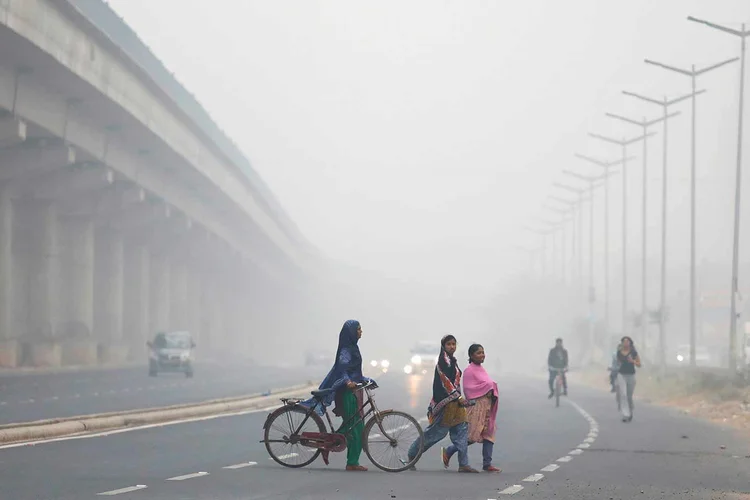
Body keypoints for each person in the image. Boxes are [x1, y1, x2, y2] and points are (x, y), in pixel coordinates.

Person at [303, 320, 371, 471]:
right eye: (358, 329)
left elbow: (355, 371)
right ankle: (351, 462)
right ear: (351, 333)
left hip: (354, 390)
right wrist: (347, 382)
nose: (361, 332)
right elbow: (342, 369)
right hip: (346, 392)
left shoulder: (353, 347)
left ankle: (341, 453)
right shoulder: (346, 350)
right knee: (355, 426)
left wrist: (366, 380)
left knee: (354, 425)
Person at [407, 335, 478, 473]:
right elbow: (446, 383)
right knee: (434, 435)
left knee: (461, 432)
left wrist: (459, 399)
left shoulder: (453, 361)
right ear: (443, 346)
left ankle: (463, 464)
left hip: (457, 407)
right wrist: (458, 398)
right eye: (449, 344)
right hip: (445, 406)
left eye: (453, 344)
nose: (452, 346)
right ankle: (412, 455)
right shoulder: (442, 363)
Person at [443, 344, 501, 472]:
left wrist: (490, 388)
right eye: (478, 353)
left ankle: (487, 464)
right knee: (472, 435)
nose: (482, 355)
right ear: (471, 355)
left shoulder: (481, 369)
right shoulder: (469, 370)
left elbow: (487, 384)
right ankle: (449, 450)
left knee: (489, 434)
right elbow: (469, 390)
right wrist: (489, 386)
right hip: (476, 407)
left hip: (487, 406)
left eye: (483, 352)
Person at [617, 336, 641, 422]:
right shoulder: (619, 352)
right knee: (623, 394)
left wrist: (632, 361)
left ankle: (630, 412)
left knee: (629, 396)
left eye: (627, 341)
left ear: (630, 343)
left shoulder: (633, 352)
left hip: (631, 375)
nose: (626, 343)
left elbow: (639, 364)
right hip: (621, 374)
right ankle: (625, 414)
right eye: (624, 341)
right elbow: (618, 362)